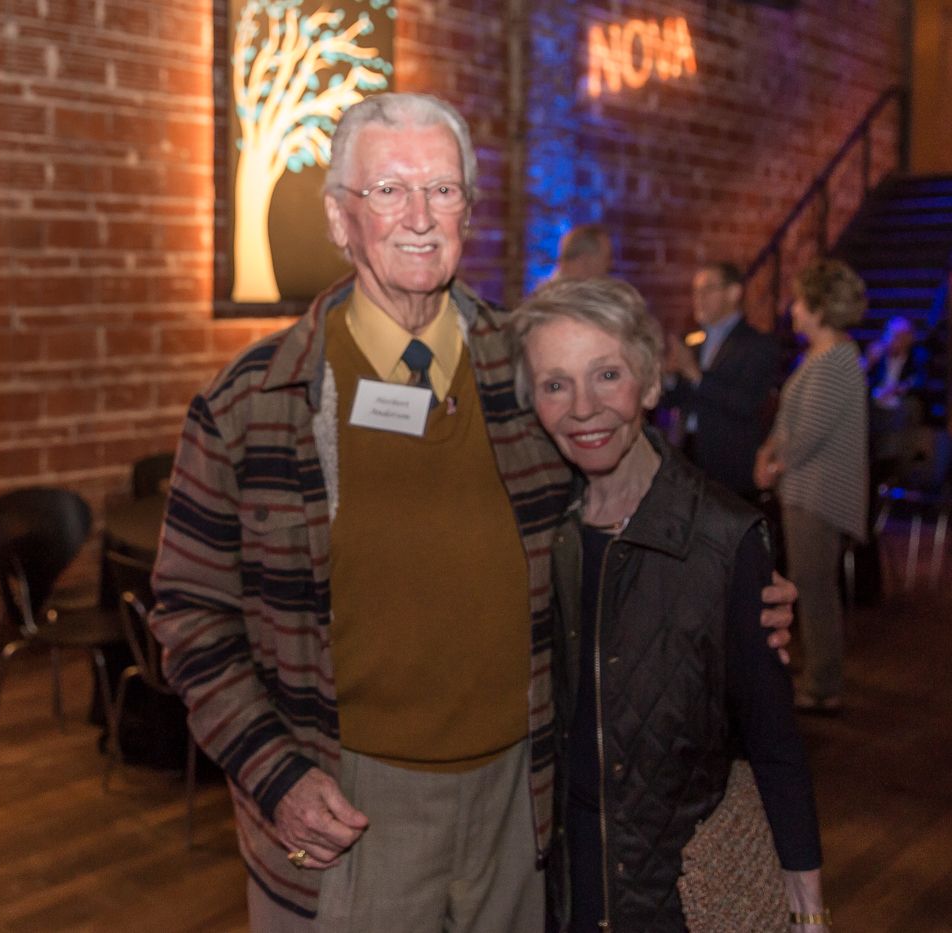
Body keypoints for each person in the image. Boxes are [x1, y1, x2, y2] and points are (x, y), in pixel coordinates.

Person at [149, 92, 795, 932]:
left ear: (468, 211)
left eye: (443, 190)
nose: (420, 216)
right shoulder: (252, 403)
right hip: (345, 801)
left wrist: (732, 580)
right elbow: (191, 615)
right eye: (388, 190)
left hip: (522, 796)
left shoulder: (525, 366)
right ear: (341, 219)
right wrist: (274, 774)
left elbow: (628, 483)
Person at [511, 276, 828, 933]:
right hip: (555, 884)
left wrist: (808, 904)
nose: (583, 408)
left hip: (674, 891)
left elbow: (772, 734)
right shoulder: (535, 527)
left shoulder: (721, 535)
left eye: (607, 375)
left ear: (652, 383)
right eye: (555, 384)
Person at [755, 259, 869, 714]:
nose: (793, 310)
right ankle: (821, 677)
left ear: (820, 308)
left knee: (815, 590)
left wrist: (773, 464)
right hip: (806, 488)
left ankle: (823, 686)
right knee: (813, 586)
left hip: (819, 494)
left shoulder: (835, 360)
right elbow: (790, 423)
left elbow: (807, 436)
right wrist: (769, 450)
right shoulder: (823, 355)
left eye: (801, 302)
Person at [662, 260, 782, 503]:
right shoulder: (693, 340)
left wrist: (695, 374)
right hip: (689, 453)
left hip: (728, 461)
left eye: (707, 290)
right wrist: (668, 376)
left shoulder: (756, 344)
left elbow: (746, 402)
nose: (699, 298)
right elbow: (675, 400)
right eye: (695, 291)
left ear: (733, 292)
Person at [865, 315, 930, 483]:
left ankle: (892, 470)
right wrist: (868, 362)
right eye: (891, 335)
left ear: (909, 338)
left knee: (909, 409)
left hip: (900, 405)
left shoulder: (918, 356)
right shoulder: (877, 355)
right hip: (876, 405)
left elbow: (920, 381)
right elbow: (859, 381)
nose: (895, 340)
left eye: (900, 336)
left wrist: (897, 389)